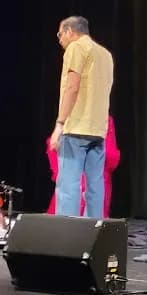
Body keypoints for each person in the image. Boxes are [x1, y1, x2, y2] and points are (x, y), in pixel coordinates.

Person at [49, 16, 114, 218]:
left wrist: (59, 124)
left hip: (76, 127)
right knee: (95, 185)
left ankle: (65, 234)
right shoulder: (105, 54)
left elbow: (72, 87)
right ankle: (94, 230)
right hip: (98, 130)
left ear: (70, 31)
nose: (60, 39)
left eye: (60, 34)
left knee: (68, 185)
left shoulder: (76, 48)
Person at [46, 115, 120, 218]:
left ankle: (70, 224)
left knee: (74, 185)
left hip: (78, 125)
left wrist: (59, 124)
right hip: (94, 127)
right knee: (92, 186)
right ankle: (90, 224)